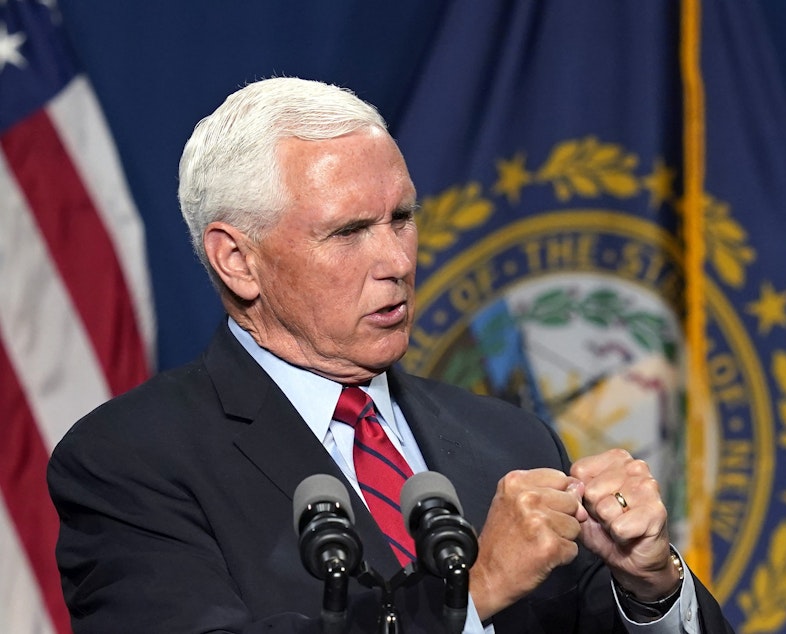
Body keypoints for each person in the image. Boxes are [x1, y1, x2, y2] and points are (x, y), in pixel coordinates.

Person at [48, 77, 733, 633]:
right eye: (348, 231)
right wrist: (473, 592)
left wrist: (649, 589)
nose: (397, 259)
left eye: (401, 218)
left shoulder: (509, 439)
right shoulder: (130, 462)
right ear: (238, 260)